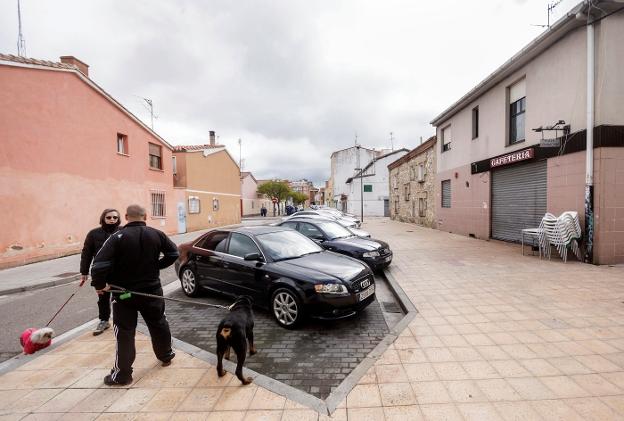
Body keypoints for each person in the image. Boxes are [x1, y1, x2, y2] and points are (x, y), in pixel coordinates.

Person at [91, 204, 179, 386]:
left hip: (124, 295)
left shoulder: (116, 237)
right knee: (159, 323)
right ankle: (166, 355)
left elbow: (99, 265)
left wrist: (100, 285)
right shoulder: (157, 234)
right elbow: (173, 253)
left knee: (124, 333)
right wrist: (157, 266)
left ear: (126, 216)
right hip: (152, 292)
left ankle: (122, 375)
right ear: (145, 216)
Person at [80, 208, 121, 335]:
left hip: (119, 271)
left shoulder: (123, 231)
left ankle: (123, 319)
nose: (112, 220)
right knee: (103, 297)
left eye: (115, 217)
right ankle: (104, 320)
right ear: (103, 218)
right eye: (109, 217)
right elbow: (86, 253)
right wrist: (84, 271)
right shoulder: (93, 234)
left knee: (122, 296)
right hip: (101, 273)